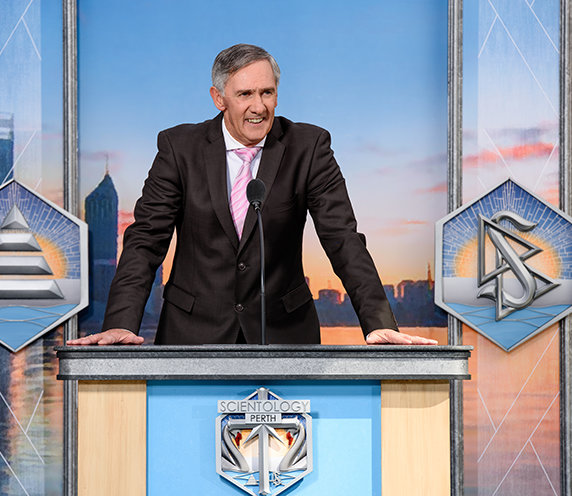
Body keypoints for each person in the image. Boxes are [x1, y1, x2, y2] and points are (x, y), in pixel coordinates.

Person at [68, 44, 436, 347]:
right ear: (219, 98)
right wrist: (120, 323)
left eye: (267, 93)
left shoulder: (309, 147)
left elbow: (342, 238)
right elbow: (146, 240)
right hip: (192, 333)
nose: (259, 107)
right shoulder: (179, 148)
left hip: (285, 334)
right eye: (245, 94)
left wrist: (378, 322)